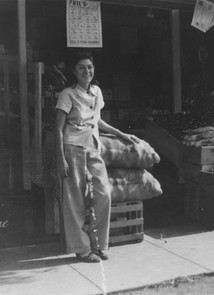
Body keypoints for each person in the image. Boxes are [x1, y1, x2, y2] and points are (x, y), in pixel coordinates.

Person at [55, 50, 140, 262]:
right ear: (74, 71)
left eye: (90, 67)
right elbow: (58, 128)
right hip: (72, 148)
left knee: (103, 194)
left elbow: (97, 121)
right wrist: (61, 158)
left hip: (93, 147)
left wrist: (121, 133)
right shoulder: (67, 94)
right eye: (82, 67)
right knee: (75, 200)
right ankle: (82, 249)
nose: (87, 71)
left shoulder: (96, 92)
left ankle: (100, 245)